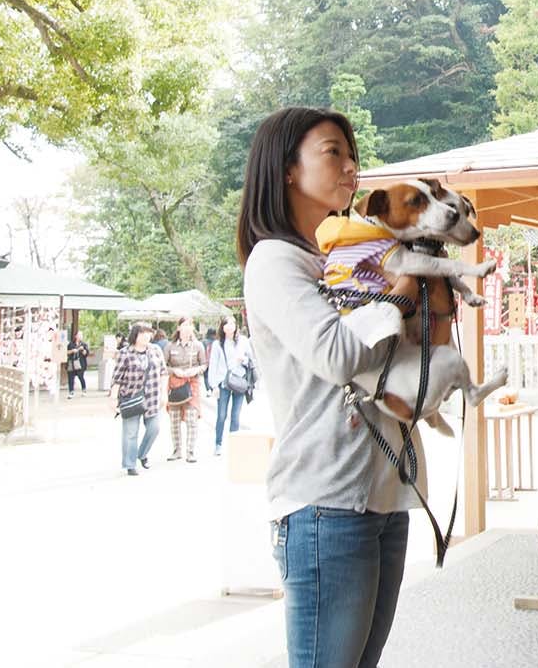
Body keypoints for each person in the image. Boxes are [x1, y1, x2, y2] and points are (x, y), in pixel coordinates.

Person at [239, 107, 426, 668]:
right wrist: (407, 285)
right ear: (288, 170)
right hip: (325, 502)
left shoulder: (342, 260)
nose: (351, 166)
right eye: (333, 152)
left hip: (384, 494)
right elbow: (338, 355)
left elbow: (399, 355)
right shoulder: (276, 262)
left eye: (352, 154)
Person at [112, 322, 166, 475]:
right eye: (143, 334)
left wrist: (164, 394)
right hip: (131, 397)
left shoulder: (156, 350)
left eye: (148, 333)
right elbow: (117, 377)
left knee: (154, 428)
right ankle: (130, 464)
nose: (146, 337)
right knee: (130, 432)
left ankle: (141, 453)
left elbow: (163, 372)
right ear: (135, 335)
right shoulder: (125, 353)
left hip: (153, 396)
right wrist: (113, 398)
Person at [208, 316, 256, 456]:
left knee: (236, 415)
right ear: (222, 327)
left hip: (239, 381)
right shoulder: (218, 344)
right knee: (221, 415)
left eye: (232, 323)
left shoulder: (243, 341)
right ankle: (218, 443)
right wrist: (213, 386)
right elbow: (213, 365)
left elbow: (252, 360)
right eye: (226, 324)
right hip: (223, 382)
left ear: (236, 326)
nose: (229, 326)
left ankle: (233, 444)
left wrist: (244, 360)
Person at [164, 316, 207, 463]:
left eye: (190, 325)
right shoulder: (170, 346)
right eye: (184, 325)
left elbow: (204, 364)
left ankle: (190, 451)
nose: (187, 328)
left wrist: (194, 371)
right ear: (178, 328)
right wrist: (174, 371)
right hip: (175, 385)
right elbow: (163, 366)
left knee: (191, 418)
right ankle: (177, 450)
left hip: (191, 384)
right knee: (174, 419)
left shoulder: (198, 346)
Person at [66, 332, 90, 397]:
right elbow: (66, 352)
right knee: (71, 377)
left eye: (81, 335)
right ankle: (71, 392)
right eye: (79, 335)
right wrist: (72, 351)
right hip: (72, 363)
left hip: (81, 363)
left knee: (81, 377)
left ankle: (84, 390)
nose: (81, 336)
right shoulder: (71, 344)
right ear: (76, 336)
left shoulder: (84, 344)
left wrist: (82, 350)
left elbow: (86, 353)